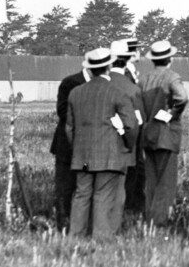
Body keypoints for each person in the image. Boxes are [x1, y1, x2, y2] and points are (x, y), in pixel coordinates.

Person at [66, 48, 138, 238]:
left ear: (90, 69)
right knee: (103, 196)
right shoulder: (117, 93)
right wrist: (127, 145)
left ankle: (75, 236)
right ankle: (101, 238)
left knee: (82, 194)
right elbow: (131, 126)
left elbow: (69, 128)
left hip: (82, 157)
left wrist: (77, 149)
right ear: (109, 66)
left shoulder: (75, 93)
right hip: (109, 156)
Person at [139, 40, 188, 226]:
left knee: (151, 182)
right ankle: (160, 223)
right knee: (166, 183)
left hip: (148, 134)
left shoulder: (143, 79)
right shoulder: (172, 77)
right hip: (166, 135)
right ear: (170, 58)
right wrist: (172, 114)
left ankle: (150, 220)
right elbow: (182, 97)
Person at [50, 63, 91, 231]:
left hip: (86, 149)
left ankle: (78, 225)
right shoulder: (70, 82)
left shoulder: (99, 83)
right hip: (66, 148)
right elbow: (62, 111)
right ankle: (62, 223)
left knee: (83, 186)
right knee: (65, 187)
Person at [109, 40, 145, 227]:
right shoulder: (131, 87)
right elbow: (138, 120)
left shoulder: (98, 83)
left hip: (99, 147)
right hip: (125, 145)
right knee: (123, 184)